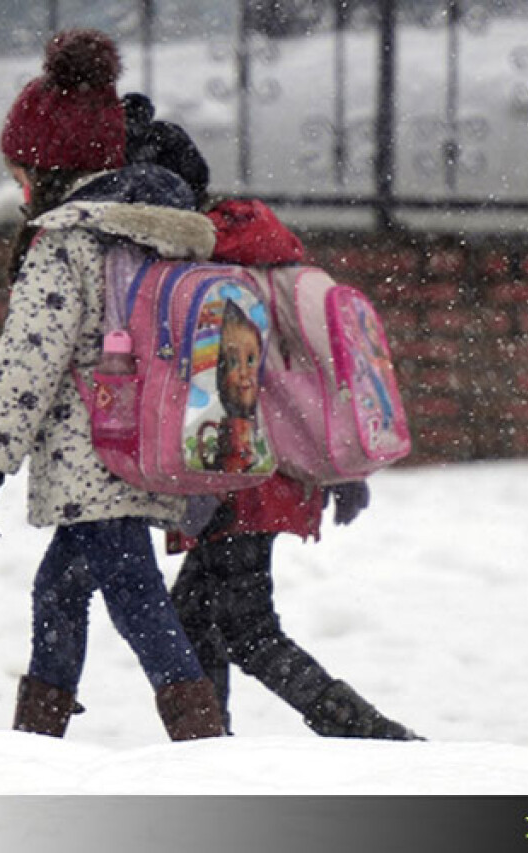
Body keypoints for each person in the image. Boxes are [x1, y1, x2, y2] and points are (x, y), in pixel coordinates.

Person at [122, 93, 422, 740]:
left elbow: (232, 383)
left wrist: (209, 484)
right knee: (196, 614)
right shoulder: (264, 247)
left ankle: (377, 738)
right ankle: (211, 752)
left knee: (249, 630)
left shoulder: (211, 267)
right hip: (276, 466)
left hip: (240, 469)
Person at [0, 30, 227, 742]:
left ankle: (204, 742)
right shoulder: (153, 229)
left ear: (48, 168)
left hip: (92, 450)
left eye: (21, 170)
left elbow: (30, 362)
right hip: (146, 432)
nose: (19, 185)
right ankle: (35, 742)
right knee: (59, 588)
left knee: (137, 597)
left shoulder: (67, 240)